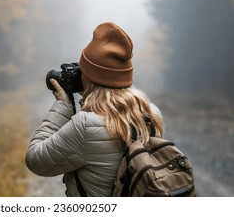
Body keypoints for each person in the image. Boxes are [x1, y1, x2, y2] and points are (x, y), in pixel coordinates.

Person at [25, 22, 164, 197]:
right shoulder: (151, 113)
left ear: (89, 78)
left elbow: (35, 160)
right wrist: (91, 92)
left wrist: (63, 105)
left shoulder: (85, 125)